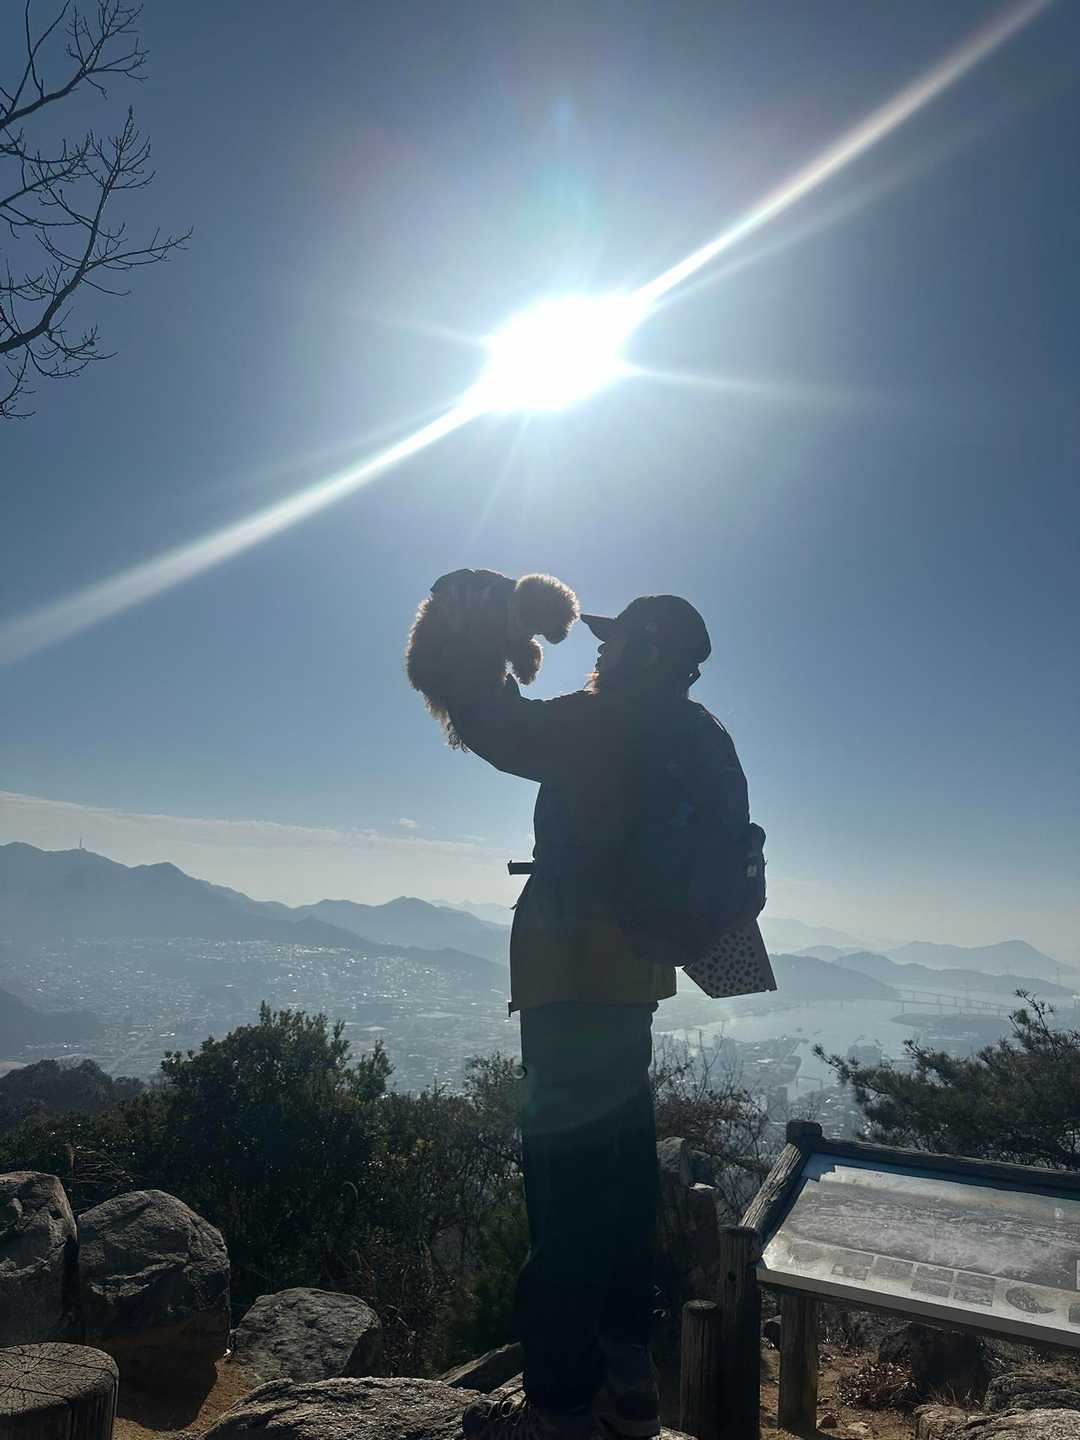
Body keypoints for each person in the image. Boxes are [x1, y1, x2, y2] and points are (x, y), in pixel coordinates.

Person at [436, 582, 755, 1440]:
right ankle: (627, 1372)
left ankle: (564, 1400)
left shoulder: (602, 721)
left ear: (643, 653)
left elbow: (494, 726)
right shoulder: (701, 733)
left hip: (569, 969)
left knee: (564, 1185)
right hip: (636, 974)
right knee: (620, 1174)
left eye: (614, 644)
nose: (600, 653)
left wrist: (469, 626)